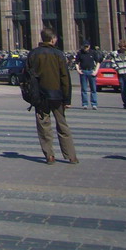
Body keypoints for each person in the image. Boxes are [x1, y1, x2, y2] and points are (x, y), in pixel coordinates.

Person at [25, 28, 78, 165]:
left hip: (40, 96)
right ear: (53, 39)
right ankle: (71, 156)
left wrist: (31, 96)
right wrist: (67, 99)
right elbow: (65, 78)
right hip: (57, 95)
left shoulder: (33, 54)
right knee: (63, 125)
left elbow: (26, 76)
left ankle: (49, 155)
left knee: (44, 127)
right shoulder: (58, 54)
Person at [75, 43, 100, 110]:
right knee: (84, 89)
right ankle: (85, 104)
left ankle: (94, 104)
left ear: (89, 46)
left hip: (91, 71)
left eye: (87, 47)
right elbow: (77, 63)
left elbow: (98, 62)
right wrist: (78, 70)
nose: (86, 48)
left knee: (93, 89)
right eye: (84, 47)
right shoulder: (80, 53)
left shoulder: (93, 52)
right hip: (83, 71)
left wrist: (96, 71)